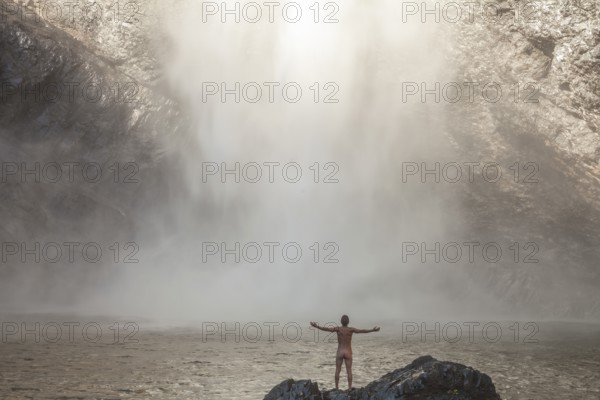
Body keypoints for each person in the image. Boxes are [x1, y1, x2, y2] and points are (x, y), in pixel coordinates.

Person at [310, 315, 380, 390]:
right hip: (348, 351)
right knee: (349, 371)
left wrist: (316, 326)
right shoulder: (351, 329)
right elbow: (361, 331)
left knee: (337, 370)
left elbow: (326, 329)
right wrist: (372, 330)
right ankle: (349, 388)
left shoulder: (338, 329)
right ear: (348, 322)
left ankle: (337, 388)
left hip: (340, 351)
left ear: (341, 321)